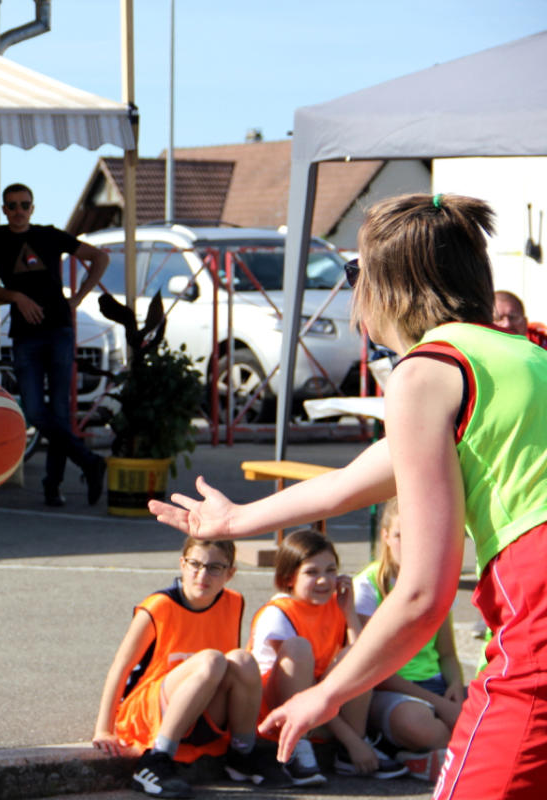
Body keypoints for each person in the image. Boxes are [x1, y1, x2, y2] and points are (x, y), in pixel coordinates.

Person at [149, 192, 547, 799]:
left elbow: (423, 593)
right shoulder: (520, 358)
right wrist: (236, 519)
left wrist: (327, 694)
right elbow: (348, 483)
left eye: (354, 271)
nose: (351, 289)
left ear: (390, 285)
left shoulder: (426, 371)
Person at [92, 537, 276, 797]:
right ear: (182, 564)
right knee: (212, 660)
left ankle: (242, 754)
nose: (202, 575)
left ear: (230, 573)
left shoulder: (233, 603)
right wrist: (103, 729)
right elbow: (120, 668)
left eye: (215, 568)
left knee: (243, 661)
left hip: (202, 708)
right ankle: (156, 760)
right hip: (151, 712)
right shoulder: (158, 606)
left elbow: (232, 676)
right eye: (195, 564)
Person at [0, 183, 109, 507]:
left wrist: (77, 299)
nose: (18, 211)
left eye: (24, 205)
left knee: (60, 413)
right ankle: (90, 461)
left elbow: (100, 257)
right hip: (25, 335)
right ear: (4, 209)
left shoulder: (49, 235)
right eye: (12, 205)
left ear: (33, 208)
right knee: (36, 411)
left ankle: (53, 486)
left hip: (59, 329)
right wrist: (17, 296)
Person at [249, 528, 406, 785]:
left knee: (358, 654)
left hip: (320, 711)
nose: (323, 580)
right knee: (298, 648)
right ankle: (297, 746)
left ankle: (347, 751)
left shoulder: (336, 605)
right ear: (289, 578)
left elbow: (364, 662)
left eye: (330, 570)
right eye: (312, 572)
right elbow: (309, 689)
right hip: (278, 714)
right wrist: (352, 741)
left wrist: (350, 613)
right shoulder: (278, 613)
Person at [353, 498, 463, 782]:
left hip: (435, 685)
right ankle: (455, 750)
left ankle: (435, 755)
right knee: (417, 723)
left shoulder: (437, 582)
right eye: (401, 535)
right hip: (391, 689)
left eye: (418, 534)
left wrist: (454, 685)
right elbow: (371, 669)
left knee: (500, 709)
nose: (411, 543)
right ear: (386, 537)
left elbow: (447, 654)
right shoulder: (367, 586)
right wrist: (442, 706)